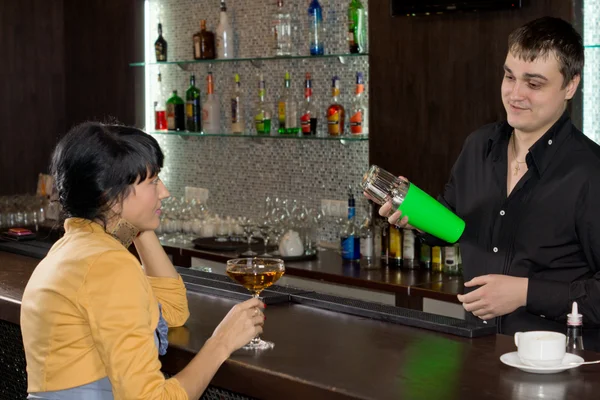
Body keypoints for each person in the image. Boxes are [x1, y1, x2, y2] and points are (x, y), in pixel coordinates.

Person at [376, 17, 600, 350]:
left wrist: (524, 293)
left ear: (570, 85)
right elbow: (452, 223)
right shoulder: (478, 146)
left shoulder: (590, 172)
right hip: (478, 353)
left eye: (534, 84)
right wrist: (414, 216)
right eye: (509, 76)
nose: (515, 93)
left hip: (558, 368)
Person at [20, 122, 266, 399]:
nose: (164, 192)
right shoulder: (108, 265)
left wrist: (136, 223)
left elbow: (171, 312)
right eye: (152, 182)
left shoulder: (74, 249)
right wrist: (222, 342)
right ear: (110, 196)